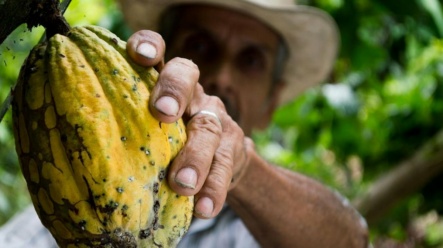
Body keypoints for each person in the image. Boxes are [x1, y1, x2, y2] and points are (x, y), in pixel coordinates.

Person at [0, 0, 369, 247]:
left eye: (251, 60)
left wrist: (241, 167)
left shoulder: (262, 230)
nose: (223, 76)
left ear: (272, 102)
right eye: (201, 45)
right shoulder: (62, 206)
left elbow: (351, 240)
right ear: (159, 55)